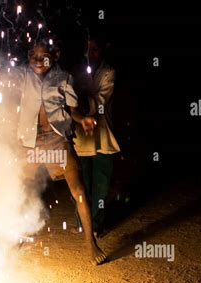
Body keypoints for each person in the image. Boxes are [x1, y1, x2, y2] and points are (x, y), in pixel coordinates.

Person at [11, 39, 107, 265]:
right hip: (31, 143)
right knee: (19, 192)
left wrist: (82, 119)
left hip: (57, 140)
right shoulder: (22, 76)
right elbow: (1, 84)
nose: (38, 61)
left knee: (78, 189)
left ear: (55, 56)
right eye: (33, 56)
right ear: (28, 58)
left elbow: (71, 111)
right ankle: (15, 237)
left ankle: (89, 242)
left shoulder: (64, 79)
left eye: (43, 56)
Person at [72, 34, 121, 238]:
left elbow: (101, 99)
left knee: (101, 187)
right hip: (82, 138)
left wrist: (80, 105)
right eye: (88, 49)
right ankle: (82, 224)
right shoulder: (76, 73)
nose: (90, 53)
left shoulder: (109, 72)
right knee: (82, 184)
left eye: (95, 49)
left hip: (103, 139)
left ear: (102, 51)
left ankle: (97, 225)